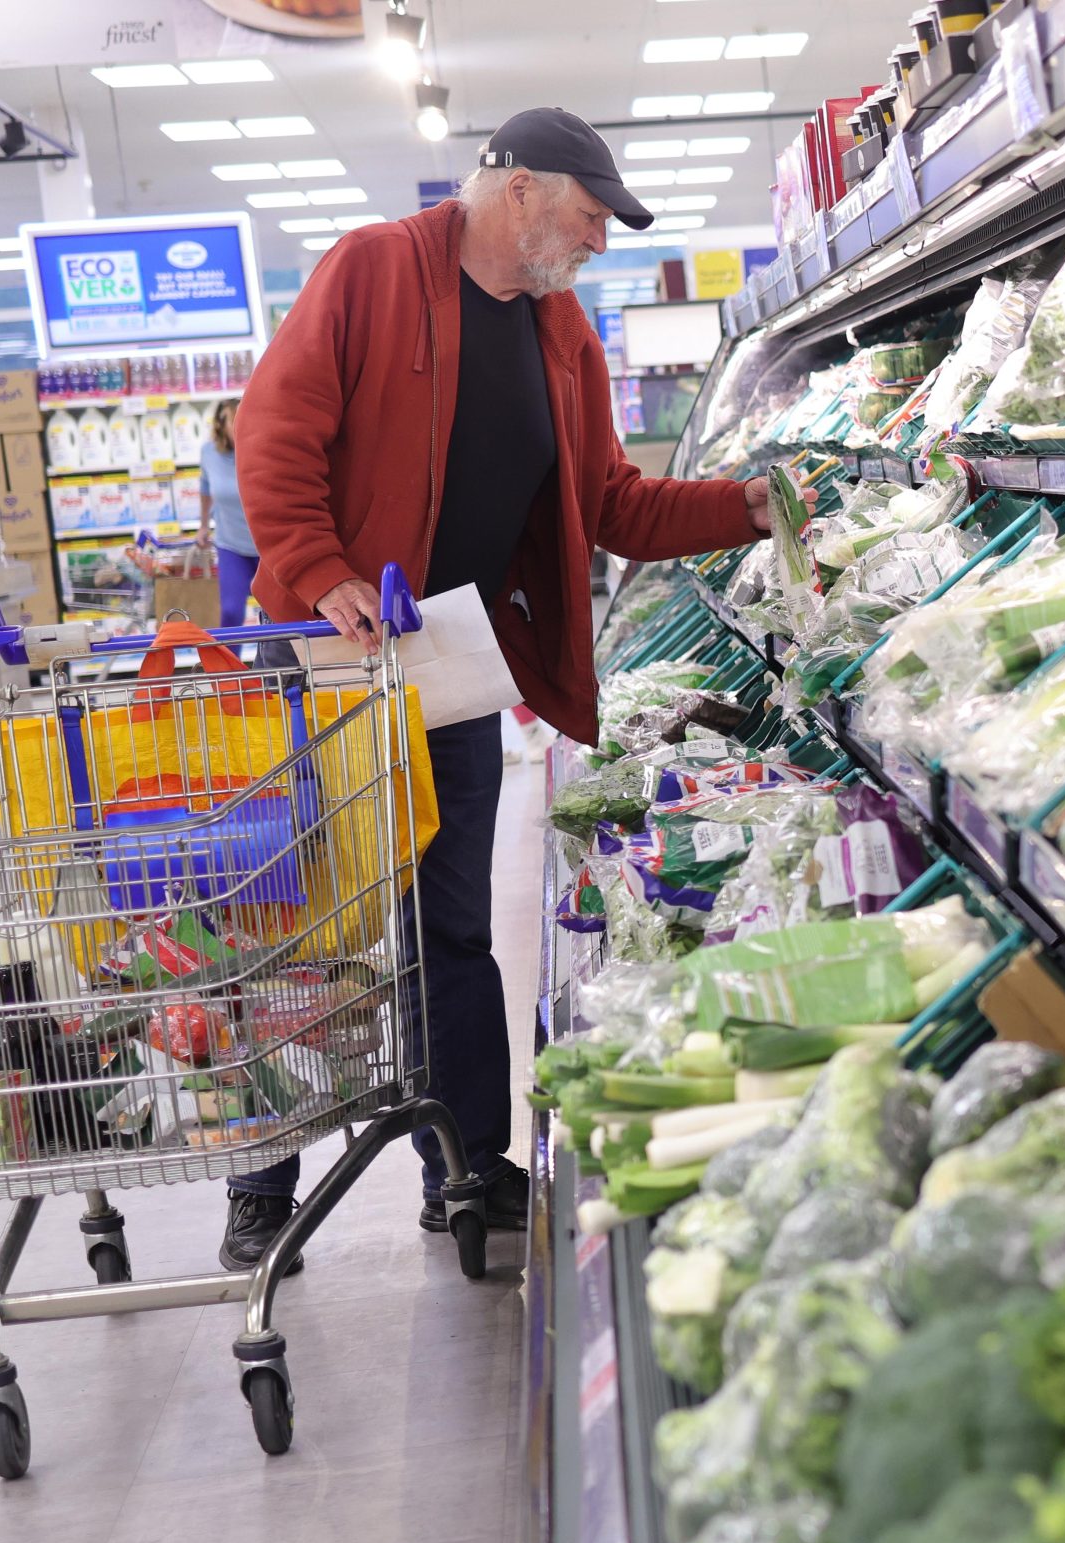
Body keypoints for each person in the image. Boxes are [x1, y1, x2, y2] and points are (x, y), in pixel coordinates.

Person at [227, 107, 796, 1269]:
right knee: (302, 927)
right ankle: (262, 1177)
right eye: (590, 215)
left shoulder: (561, 332)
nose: (597, 240)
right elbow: (273, 437)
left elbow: (613, 503)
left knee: (454, 923)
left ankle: (471, 1163)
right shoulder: (373, 269)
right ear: (521, 189)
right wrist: (324, 572)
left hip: (449, 662)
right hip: (328, 659)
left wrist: (741, 504)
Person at [195, 399, 256, 628]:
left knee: (277, 614)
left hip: (268, 548)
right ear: (222, 425)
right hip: (231, 546)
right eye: (236, 420)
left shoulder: (264, 448)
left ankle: (280, 660)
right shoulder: (209, 453)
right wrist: (203, 526)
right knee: (230, 613)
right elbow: (204, 487)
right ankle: (227, 664)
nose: (244, 425)